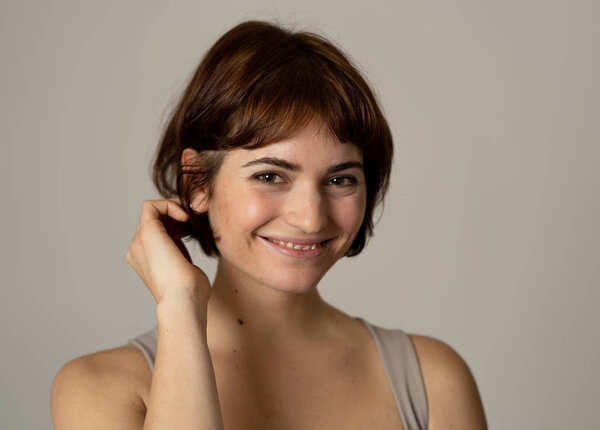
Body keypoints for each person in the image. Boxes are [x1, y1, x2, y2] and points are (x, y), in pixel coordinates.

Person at [50, 20, 487, 430]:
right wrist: (181, 308)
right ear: (197, 182)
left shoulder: (434, 381)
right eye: (270, 175)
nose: (311, 217)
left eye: (340, 179)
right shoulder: (100, 389)